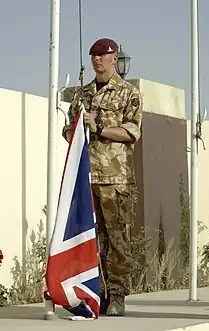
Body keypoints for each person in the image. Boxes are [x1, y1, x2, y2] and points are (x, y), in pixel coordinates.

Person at [62, 38, 143, 316]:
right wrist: (77, 127)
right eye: (94, 55)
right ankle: (97, 294)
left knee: (117, 240)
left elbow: (131, 132)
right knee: (91, 240)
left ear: (114, 57)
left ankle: (118, 295)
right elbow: (67, 132)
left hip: (115, 179)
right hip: (85, 179)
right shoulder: (82, 95)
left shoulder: (128, 93)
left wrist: (98, 127)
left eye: (103, 55)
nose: (97, 59)